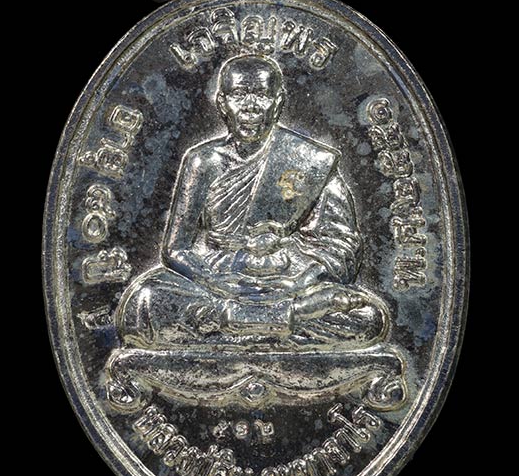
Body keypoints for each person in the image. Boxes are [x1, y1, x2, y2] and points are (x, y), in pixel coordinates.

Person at [117, 54, 389, 349]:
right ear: (222, 103)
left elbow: (341, 249)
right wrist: (215, 282)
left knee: (368, 317)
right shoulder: (203, 161)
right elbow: (176, 249)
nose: (250, 105)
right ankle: (286, 320)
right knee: (145, 301)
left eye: (261, 94)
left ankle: (236, 325)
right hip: (220, 282)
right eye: (239, 95)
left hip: (290, 280)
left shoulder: (312, 161)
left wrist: (300, 280)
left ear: (278, 102)